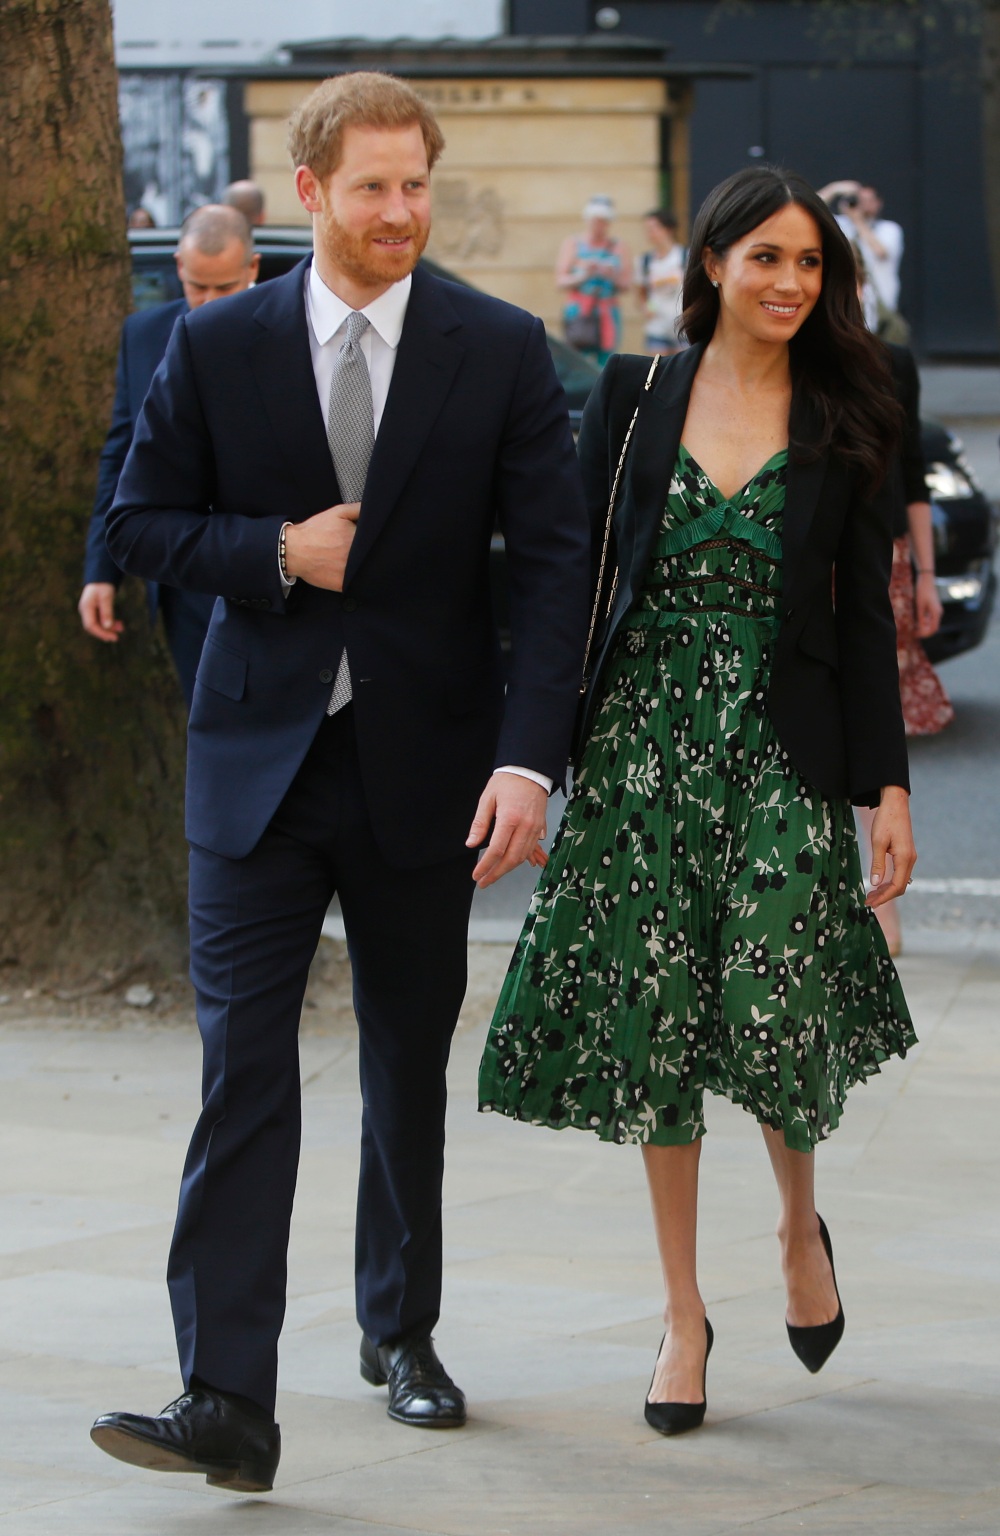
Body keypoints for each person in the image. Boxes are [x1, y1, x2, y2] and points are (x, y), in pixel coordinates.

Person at [90, 71, 590, 1491]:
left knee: (405, 1062)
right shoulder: (219, 341)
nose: (399, 211)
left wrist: (527, 760)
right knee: (243, 1070)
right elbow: (139, 520)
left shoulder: (498, 348)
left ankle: (402, 1331)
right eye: (372, 186)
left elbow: (554, 567)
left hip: (430, 769)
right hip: (255, 762)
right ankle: (223, 1397)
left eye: (415, 184)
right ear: (309, 191)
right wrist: (273, 553)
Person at [480, 165, 918, 1437]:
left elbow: (861, 612)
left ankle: (796, 1229)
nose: (790, 282)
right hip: (640, 743)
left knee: (775, 1001)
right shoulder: (632, 395)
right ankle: (682, 1313)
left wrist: (884, 787)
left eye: (811, 262)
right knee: (656, 1020)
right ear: (713, 262)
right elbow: (573, 579)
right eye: (766, 257)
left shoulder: (848, 403)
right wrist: (531, 758)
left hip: (781, 742)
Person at [79, 204, 260, 705]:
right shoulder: (142, 336)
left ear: (252, 268)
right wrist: (101, 572)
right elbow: (123, 457)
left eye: (224, 287)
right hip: (183, 582)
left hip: (269, 569)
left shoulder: (290, 334)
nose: (209, 302)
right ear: (179, 266)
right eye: (198, 286)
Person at [856, 325, 952, 956]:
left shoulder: (892, 363)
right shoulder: (787, 357)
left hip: (879, 560)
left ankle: (882, 906)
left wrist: (925, 574)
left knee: (871, 729)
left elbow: (912, 472)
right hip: (801, 561)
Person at [818, 180, 904, 336]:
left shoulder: (889, 229)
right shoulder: (842, 225)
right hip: (850, 305)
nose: (862, 205)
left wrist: (858, 221)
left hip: (882, 308)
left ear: (878, 203)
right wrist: (835, 189)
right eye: (859, 200)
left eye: (868, 200)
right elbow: (812, 210)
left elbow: (881, 252)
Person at [556, 194, 632, 365]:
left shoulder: (618, 246)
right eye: (596, 220)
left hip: (607, 312)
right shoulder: (573, 244)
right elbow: (561, 281)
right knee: (577, 361)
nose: (599, 225)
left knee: (606, 362)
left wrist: (610, 275)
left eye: (603, 221)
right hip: (580, 312)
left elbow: (626, 284)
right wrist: (584, 275)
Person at [636, 208, 686, 355]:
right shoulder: (645, 261)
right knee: (657, 366)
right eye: (648, 229)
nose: (650, 233)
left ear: (668, 229)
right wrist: (646, 307)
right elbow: (641, 291)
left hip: (682, 325)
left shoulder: (684, 256)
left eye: (654, 228)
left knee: (683, 365)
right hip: (656, 326)